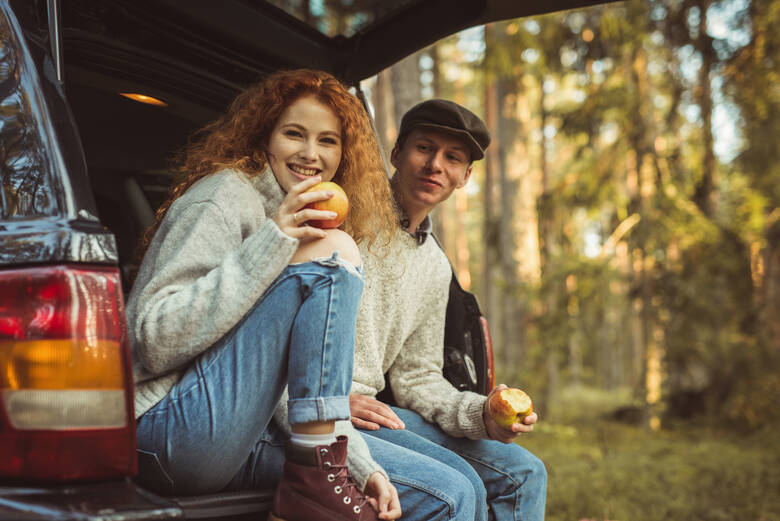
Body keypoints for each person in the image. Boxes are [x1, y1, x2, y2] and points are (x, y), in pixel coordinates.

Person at [125, 69, 402, 521]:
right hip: (160, 431)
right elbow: (152, 338)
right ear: (265, 138)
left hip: (238, 434)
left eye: (328, 140)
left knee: (424, 495)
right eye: (294, 134)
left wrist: (360, 467)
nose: (311, 154)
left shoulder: (305, 220)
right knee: (335, 252)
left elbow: (289, 385)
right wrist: (271, 241)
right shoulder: (220, 199)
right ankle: (314, 477)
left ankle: (318, 476)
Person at [348, 99, 548, 521]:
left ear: (465, 177)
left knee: (527, 473)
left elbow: (416, 376)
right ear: (397, 153)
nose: (435, 165)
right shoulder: (349, 217)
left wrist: (482, 416)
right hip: (325, 408)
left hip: (379, 411)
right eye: (424, 148)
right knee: (463, 486)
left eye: (452, 157)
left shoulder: (435, 265)